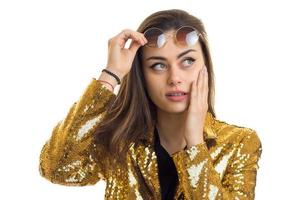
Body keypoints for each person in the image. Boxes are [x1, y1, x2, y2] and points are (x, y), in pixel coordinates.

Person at [39, 9, 262, 200]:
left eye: (188, 61)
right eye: (158, 65)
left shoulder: (240, 143)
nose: (175, 77)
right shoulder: (121, 142)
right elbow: (57, 168)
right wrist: (112, 74)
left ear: (206, 68)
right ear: (142, 76)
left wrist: (195, 143)